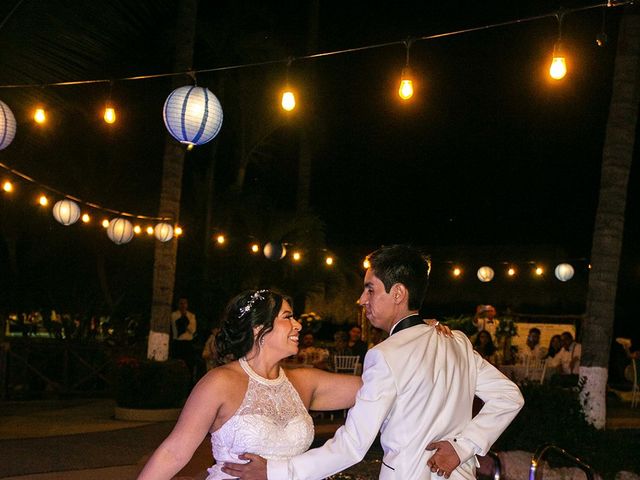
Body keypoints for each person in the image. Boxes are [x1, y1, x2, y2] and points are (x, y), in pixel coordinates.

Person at [223, 244, 524, 480]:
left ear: (398, 293)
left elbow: (352, 445)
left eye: (370, 289)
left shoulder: (385, 354)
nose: (361, 299)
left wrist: (274, 473)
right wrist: (463, 448)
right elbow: (509, 397)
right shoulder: (456, 341)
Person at [171, 297, 197, 376]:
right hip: (177, 342)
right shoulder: (173, 315)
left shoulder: (191, 316)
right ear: (178, 305)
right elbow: (175, 325)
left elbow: (192, 330)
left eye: (184, 303)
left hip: (188, 342)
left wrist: (186, 321)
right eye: (181, 303)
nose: (183, 305)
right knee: (176, 363)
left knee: (189, 364)